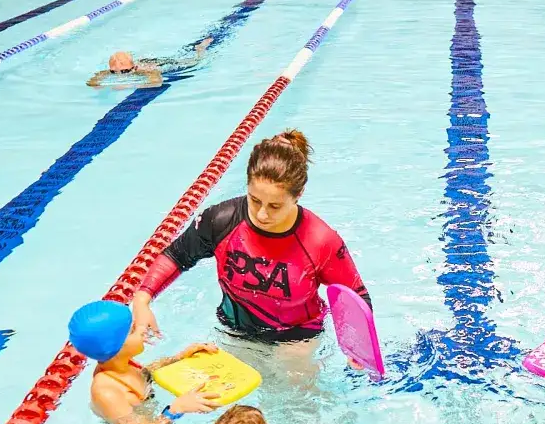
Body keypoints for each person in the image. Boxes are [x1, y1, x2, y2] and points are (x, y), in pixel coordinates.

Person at [131, 130, 371, 345]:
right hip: (233, 329)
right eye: (254, 200)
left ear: (298, 195)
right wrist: (141, 302)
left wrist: (357, 346)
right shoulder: (222, 220)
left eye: (275, 206)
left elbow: (356, 294)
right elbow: (177, 255)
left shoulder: (319, 240)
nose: (262, 214)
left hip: (296, 338)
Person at [68, 300, 219, 424]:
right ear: (115, 347)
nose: (142, 329)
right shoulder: (107, 392)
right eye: (133, 330)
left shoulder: (123, 364)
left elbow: (146, 373)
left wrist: (179, 357)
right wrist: (177, 409)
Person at [86, 41, 211, 89]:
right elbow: (92, 82)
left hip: (164, 64)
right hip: (144, 62)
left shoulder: (146, 71)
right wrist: (99, 85)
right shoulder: (109, 71)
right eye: (114, 72)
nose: (119, 75)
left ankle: (200, 48)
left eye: (124, 72)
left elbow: (156, 82)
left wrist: (130, 85)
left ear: (134, 68)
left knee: (196, 61)